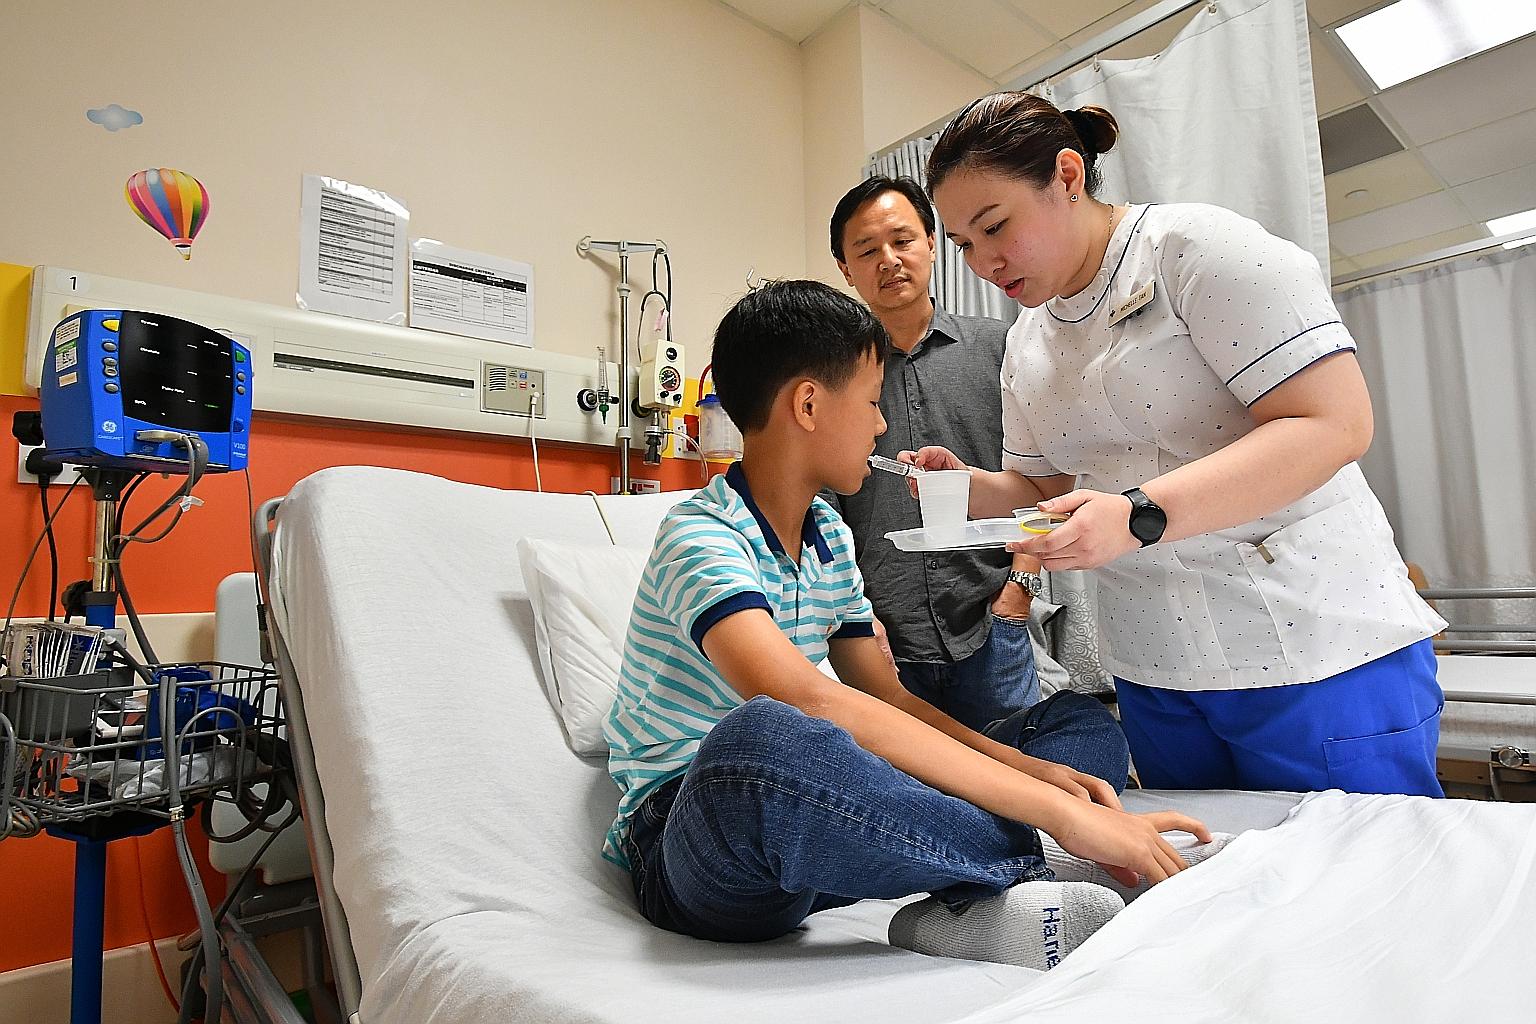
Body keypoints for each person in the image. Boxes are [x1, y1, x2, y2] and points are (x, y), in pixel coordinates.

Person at [603, 279, 1211, 971]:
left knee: (1076, 725)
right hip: (708, 833)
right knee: (761, 738)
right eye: (870, 403)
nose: (880, 426)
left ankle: (966, 901)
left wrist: (1034, 773)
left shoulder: (829, 534)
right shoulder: (700, 536)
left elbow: (889, 699)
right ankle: (1047, 852)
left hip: (831, 829)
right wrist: (1062, 816)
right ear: (808, 405)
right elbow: (809, 699)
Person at [910, 91, 1447, 796]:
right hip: (1157, 668)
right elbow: (1043, 490)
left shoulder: (1198, 251)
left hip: (1312, 643)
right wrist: (964, 486)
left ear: (1067, 176)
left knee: (1356, 858)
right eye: (963, 244)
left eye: (995, 226)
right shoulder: (1027, 343)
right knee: (1204, 860)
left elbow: (1333, 423)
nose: (984, 261)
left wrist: (1137, 514)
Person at [827, 176, 1056, 731]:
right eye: (867, 250)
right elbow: (822, 507)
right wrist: (853, 618)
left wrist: (1020, 589)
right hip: (881, 638)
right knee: (901, 785)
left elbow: (1042, 480)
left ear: (932, 243)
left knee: (1017, 774)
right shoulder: (832, 376)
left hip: (992, 624)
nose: (888, 260)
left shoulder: (1004, 348)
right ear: (845, 269)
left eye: (902, 240)